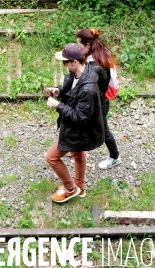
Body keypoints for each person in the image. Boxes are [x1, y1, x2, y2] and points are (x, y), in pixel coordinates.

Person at [44, 43, 104, 203]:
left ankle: (70, 188)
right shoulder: (75, 74)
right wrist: (59, 90)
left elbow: (80, 117)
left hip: (78, 130)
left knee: (51, 158)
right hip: (73, 128)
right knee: (78, 155)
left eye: (65, 62)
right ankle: (80, 187)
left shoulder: (88, 89)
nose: (64, 65)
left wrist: (58, 106)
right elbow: (71, 90)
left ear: (75, 62)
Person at [77, 28, 121, 170]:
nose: (78, 48)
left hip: (99, 105)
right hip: (100, 101)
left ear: (88, 45)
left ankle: (115, 157)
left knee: (104, 131)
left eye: (79, 45)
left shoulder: (94, 65)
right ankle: (74, 151)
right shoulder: (101, 55)